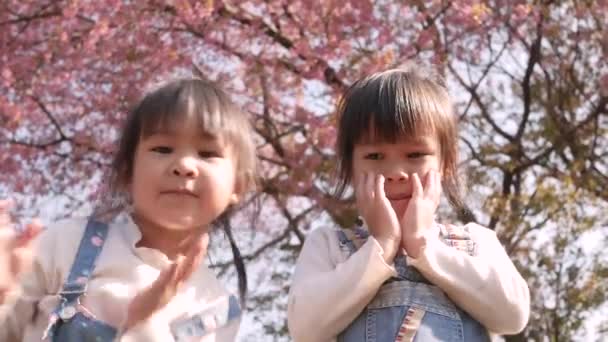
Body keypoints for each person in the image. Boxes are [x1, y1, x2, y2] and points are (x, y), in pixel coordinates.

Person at [0, 77, 257, 341]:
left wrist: (144, 324)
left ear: (237, 185)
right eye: (162, 148)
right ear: (127, 172)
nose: (184, 165)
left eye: (207, 153)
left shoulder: (216, 310)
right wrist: (4, 292)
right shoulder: (66, 243)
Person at [287, 64, 530, 341]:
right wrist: (381, 246)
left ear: (446, 165)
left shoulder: (476, 241)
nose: (395, 172)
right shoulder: (330, 246)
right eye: (375, 156)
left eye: (415, 154)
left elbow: (513, 315)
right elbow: (303, 327)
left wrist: (423, 244)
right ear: (350, 169)